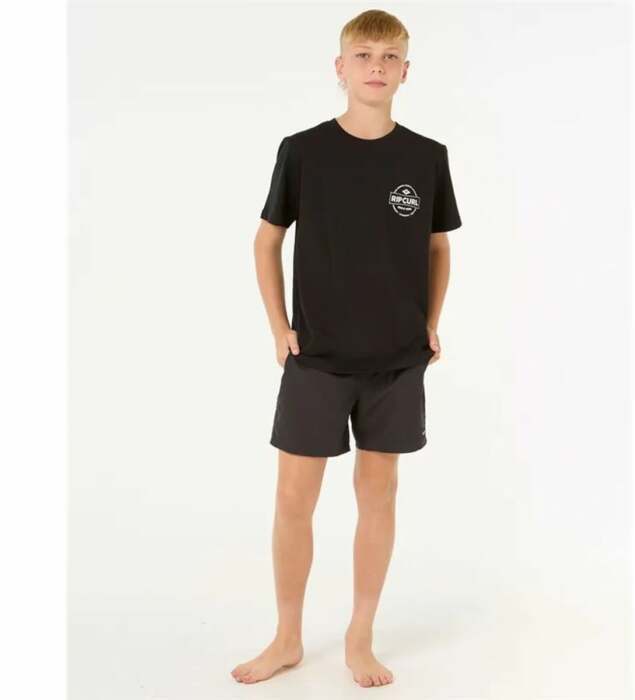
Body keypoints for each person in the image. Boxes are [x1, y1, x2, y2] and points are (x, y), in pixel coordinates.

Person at [231, 8, 461, 689]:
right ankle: (287, 637)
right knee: (293, 499)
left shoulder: (427, 157)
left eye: (389, 58)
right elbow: (267, 241)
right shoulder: (303, 151)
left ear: (406, 72)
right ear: (341, 67)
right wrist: (279, 327)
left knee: (378, 494)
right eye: (363, 56)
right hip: (318, 359)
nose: (376, 68)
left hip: (396, 361)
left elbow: (438, 247)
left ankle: (361, 637)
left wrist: (431, 322)